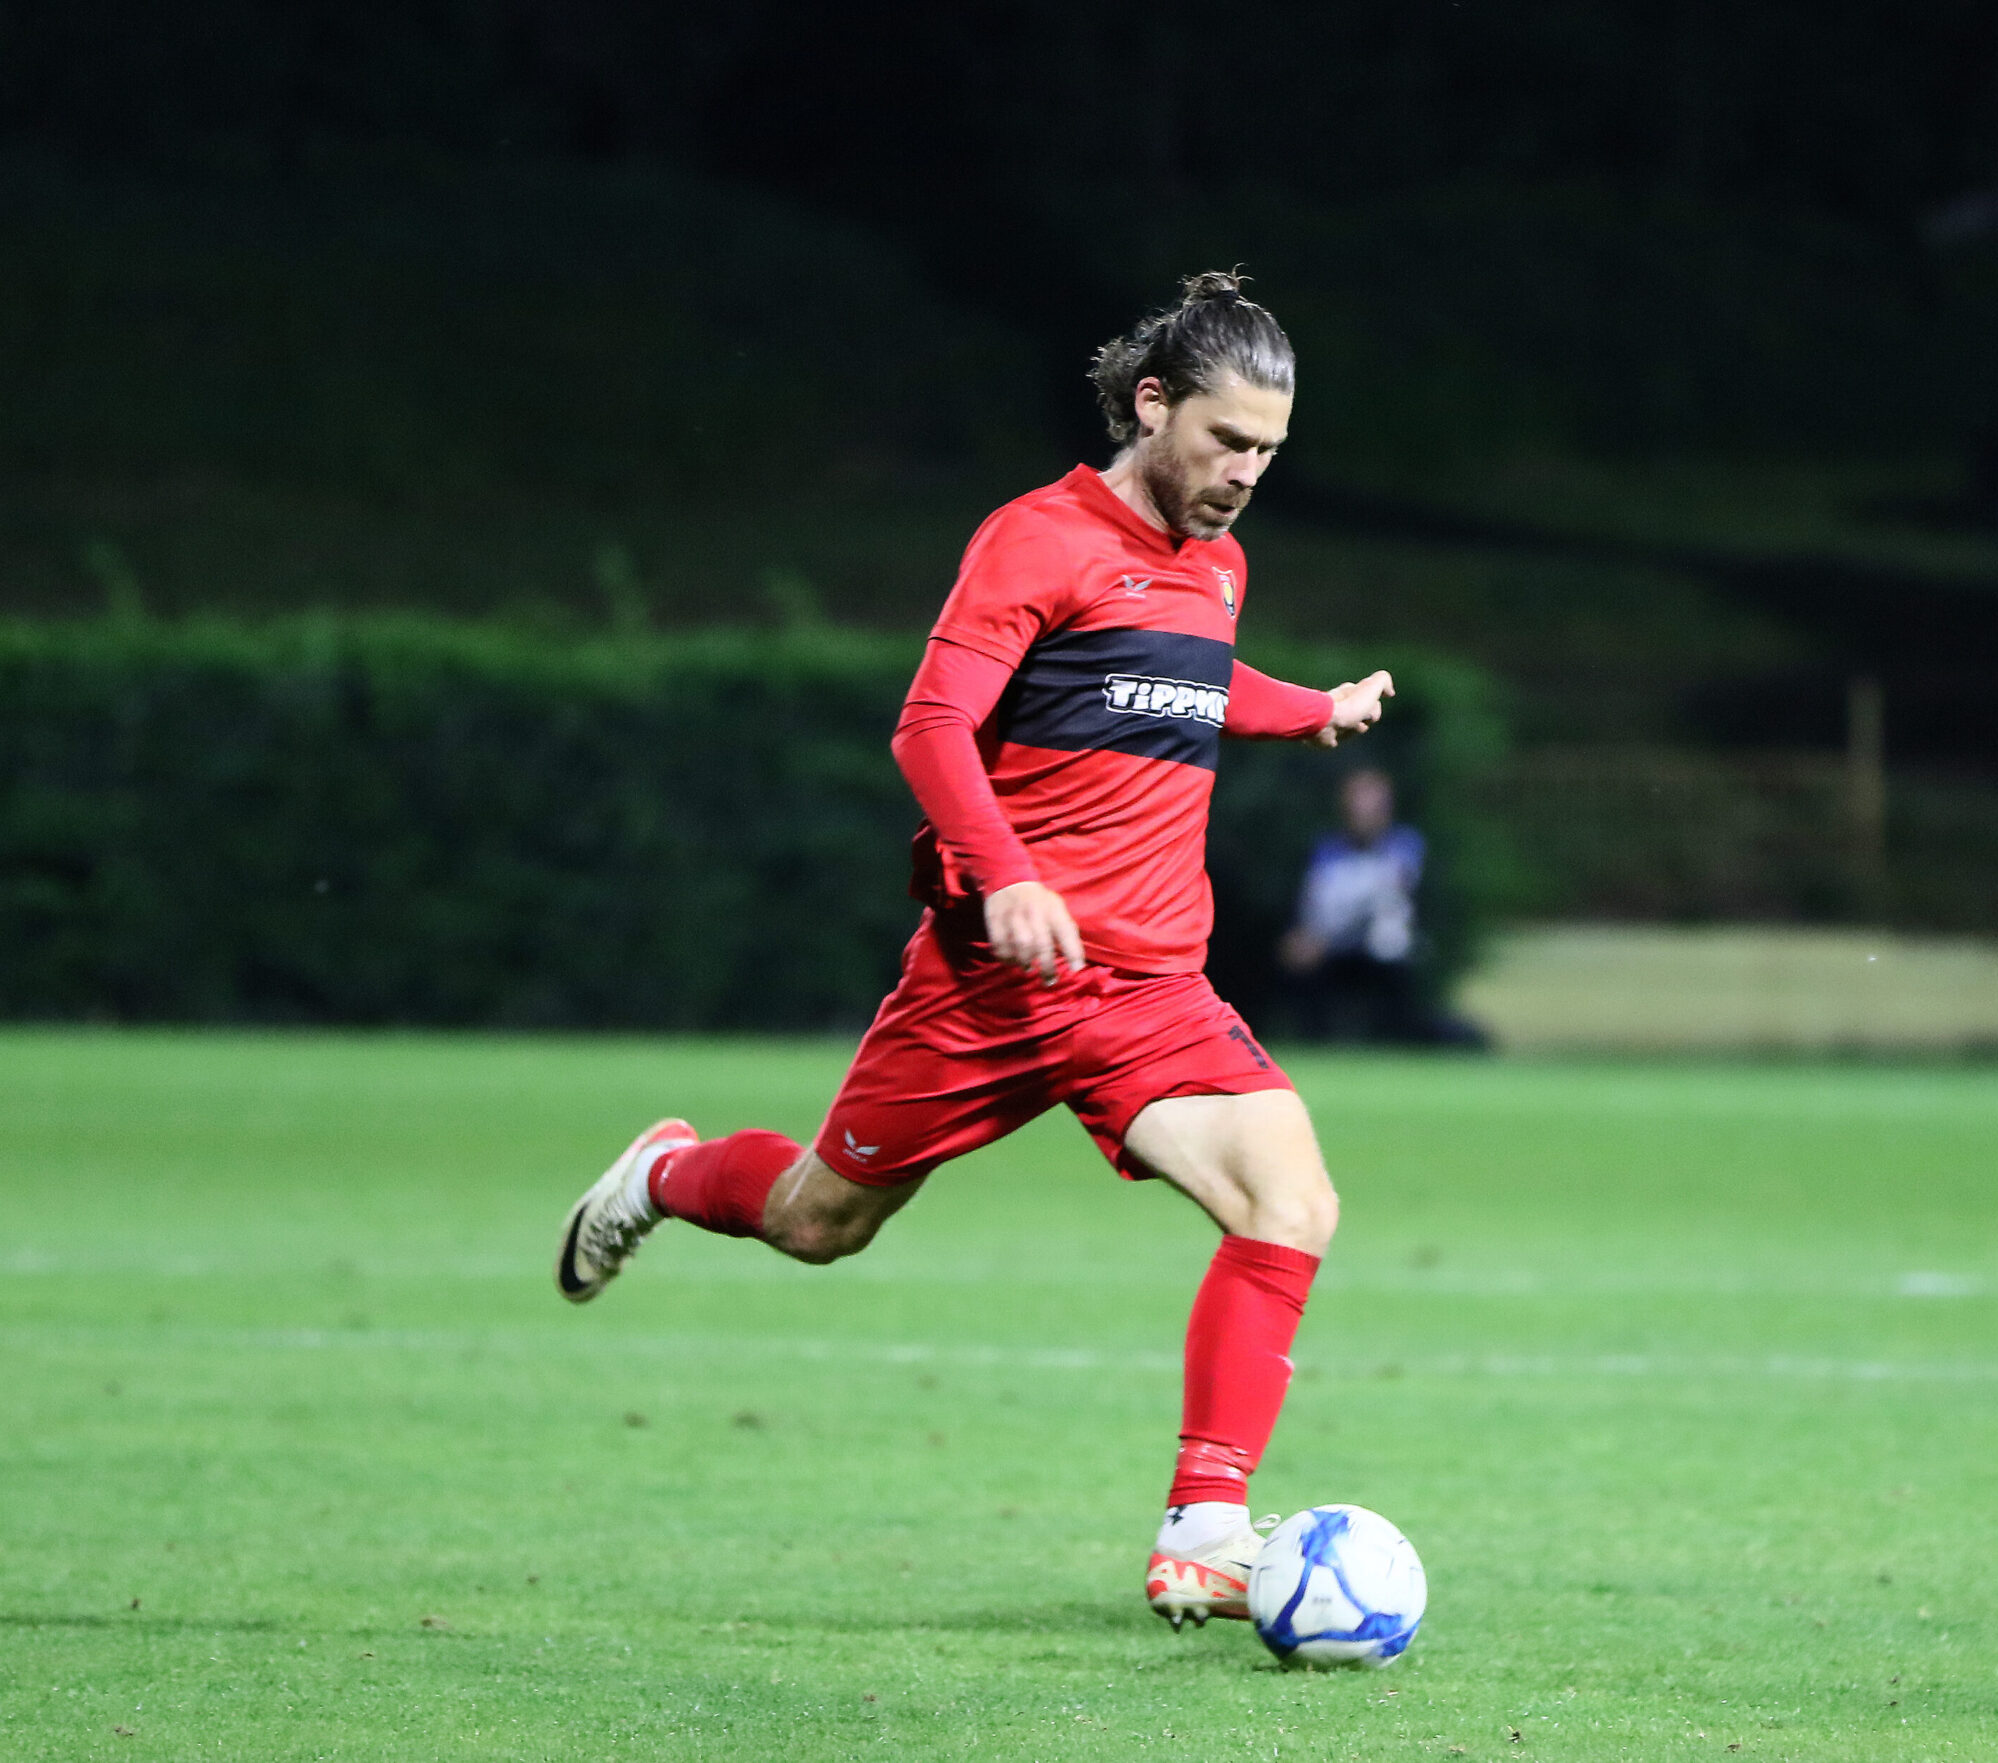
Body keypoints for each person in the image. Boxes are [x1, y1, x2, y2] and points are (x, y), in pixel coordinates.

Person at [553, 271, 1394, 1632]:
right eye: (1227, 440)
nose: (1246, 474)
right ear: (1153, 403)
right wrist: (1005, 873)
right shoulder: (1036, 538)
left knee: (1291, 1201)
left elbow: (1184, 680)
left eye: (1269, 451)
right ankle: (660, 1173)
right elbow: (932, 724)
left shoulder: (1218, 564)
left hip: (1149, 985)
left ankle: (1205, 1528)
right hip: (989, 985)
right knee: (818, 1221)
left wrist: (1309, 710)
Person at [1280, 767, 1428, 1042]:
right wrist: (1304, 935)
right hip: (1333, 947)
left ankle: (1398, 1040)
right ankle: (1315, 1043)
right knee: (1299, 958)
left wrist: (1322, 938)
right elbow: (1314, 902)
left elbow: (1385, 897)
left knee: (1391, 944)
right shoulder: (1327, 850)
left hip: (1382, 946)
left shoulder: (1404, 845)